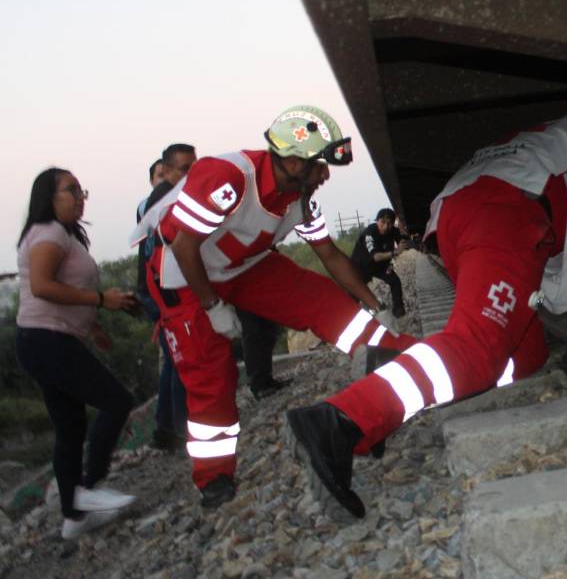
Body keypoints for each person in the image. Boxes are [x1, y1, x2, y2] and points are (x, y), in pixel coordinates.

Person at [287, 111, 567, 517]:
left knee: (528, 350)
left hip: (459, 216)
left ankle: (397, 361)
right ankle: (342, 420)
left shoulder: (534, 140)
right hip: (505, 214)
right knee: (478, 351)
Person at [132, 105, 416, 508]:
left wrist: (374, 306)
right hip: (184, 278)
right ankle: (214, 479)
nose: (326, 176)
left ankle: (396, 353)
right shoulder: (228, 176)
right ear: (295, 161)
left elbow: (331, 256)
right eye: (321, 166)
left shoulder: (298, 199)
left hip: (244, 265)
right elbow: (183, 246)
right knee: (212, 378)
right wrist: (212, 306)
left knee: (320, 300)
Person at [16, 168, 140, 539]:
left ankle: (74, 518)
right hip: (46, 340)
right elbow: (42, 286)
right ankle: (89, 487)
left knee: (70, 429)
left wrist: (94, 325)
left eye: (80, 189)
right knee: (117, 401)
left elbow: (67, 287)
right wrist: (103, 301)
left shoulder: (63, 234)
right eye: (71, 190)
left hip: (48, 340)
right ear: (48, 198)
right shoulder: (49, 233)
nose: (79, 196)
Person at [137, 144, 197, 452]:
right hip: (163, 292)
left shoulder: (166, 199)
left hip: (160, 291)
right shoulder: (158, 202)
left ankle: (166, 428)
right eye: (181, 169)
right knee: (178, 360)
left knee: (174, 362)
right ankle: (179, 428)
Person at [350, 208, 408, 317]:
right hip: (362, 266)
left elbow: (404, 242)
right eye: (383, 222)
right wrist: (395, 252)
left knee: (395, 281)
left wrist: (402, 228)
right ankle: (350, 314)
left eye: (389, 223)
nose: (386, 227)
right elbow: (376, 257)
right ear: (377, 221)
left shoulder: (393, 231)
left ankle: (399, 312)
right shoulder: (369, 233)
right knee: (356, 292)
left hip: (382, 265)